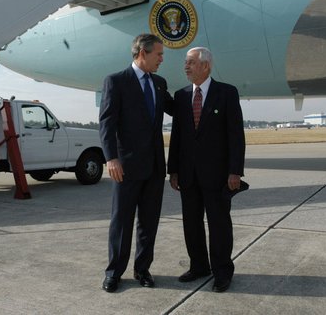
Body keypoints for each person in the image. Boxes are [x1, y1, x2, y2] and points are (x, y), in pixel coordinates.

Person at [99, 33, 173, 292]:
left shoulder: (160, 83)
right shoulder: (117, 81)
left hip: (154, 167)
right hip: (126, 167)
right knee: (121, 221)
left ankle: (143, 269)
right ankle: (114, 272)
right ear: (143, 53)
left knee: (149, 222)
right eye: (159, 55)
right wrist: (111, 158)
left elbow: (179, 109)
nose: (162, 59)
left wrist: (206, 92)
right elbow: (107, 122)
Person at [168, 47, 245, 293]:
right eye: (185, 63)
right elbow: (177, 136)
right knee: (191, 224)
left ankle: (222, 271)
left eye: (190, 62)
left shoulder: (227, 93)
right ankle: (199, 266)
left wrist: (235, 171)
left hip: (218, 175)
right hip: (188, 175)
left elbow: (236, 135)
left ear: (206, 66)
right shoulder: (180, 96)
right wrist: (174, 171)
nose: (186, 67)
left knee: (219, 225)